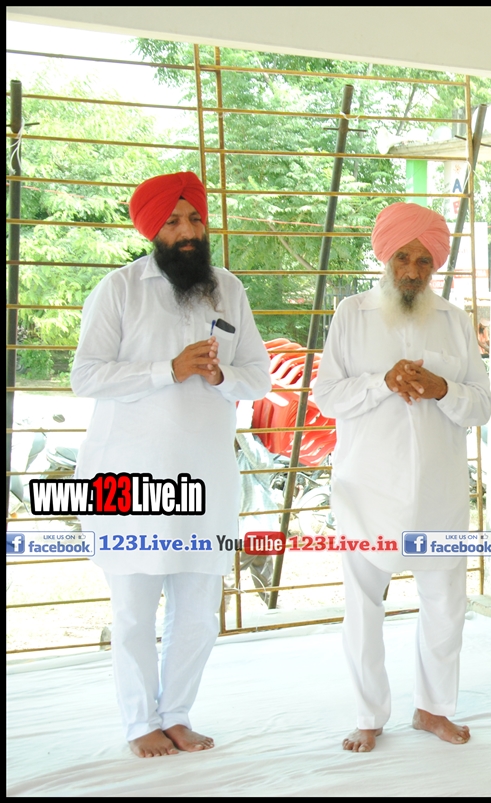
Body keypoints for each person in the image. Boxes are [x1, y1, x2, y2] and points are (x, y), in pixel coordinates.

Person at [72, 171, 271, 758]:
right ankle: (141, 722)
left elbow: (258, 376)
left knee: (199, 612)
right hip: (128, 480)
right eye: (174, 221)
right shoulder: (119, 289)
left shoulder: (228, 289)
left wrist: (221, 374)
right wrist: (170, 369)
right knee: (135, 613)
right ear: (152, 230)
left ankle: (177, 714)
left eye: (195, 219)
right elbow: (86, 376)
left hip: (207, 478)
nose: (188, 231)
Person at [312, 202, 491, 753]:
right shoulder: (352, 315)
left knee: (445, 603)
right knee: (364, 605)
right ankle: (368, 715)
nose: (413, 270)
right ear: (385, 257)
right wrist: (381, 382)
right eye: (402, 258)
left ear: (436, 265)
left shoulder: (454, 321)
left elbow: (482, 405)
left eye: (424, 261)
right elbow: (326, 396)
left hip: (439, 491)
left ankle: (433, 709)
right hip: (367, 490)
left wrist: (443, 389)